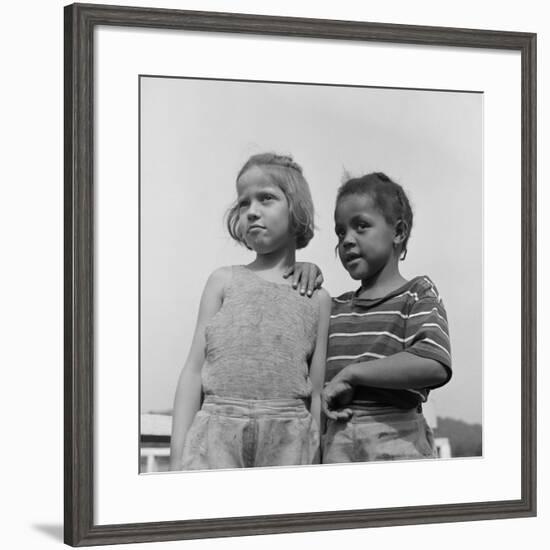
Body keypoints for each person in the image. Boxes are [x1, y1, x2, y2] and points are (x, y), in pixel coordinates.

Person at [169, 153, 332, 470]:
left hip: (291, 438)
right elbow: (192, 371)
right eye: (244, 203)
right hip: (216, 431)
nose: (252, 211)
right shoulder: (222, 281)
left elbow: (316, 391)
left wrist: (318, 462)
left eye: (266, 198)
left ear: (296, 208)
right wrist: (177, 455)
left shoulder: (317, 297)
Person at [321, 172, 452, 462]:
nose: (346, 240)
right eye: (340, 232)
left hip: (400, 439)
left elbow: (433, 363)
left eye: (361, 226)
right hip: (335, 443)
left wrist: (354, 373)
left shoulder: (417, 293)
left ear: (398, 232)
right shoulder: (333, 307)